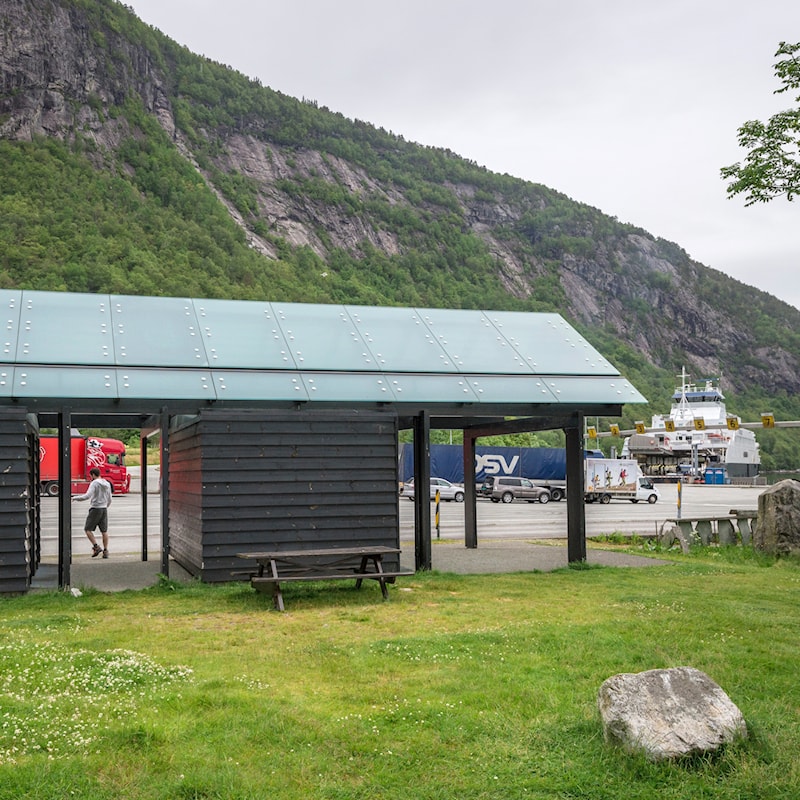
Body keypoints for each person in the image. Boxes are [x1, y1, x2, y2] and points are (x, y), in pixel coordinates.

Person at [72, 467, 113, 558]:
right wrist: (105, 506)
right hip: (104, 509)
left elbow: (87, 496)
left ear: (93, 475)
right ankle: (105, 551)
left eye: (91, 476)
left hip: (95, 508)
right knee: (104, 531)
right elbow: (110, 498)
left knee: (87, 529)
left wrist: (75, 498)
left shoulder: (94, 483)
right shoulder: (107, 483)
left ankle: (96, 546)